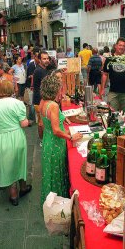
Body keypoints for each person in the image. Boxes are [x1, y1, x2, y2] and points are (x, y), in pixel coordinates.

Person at [39, 75, 83, 204]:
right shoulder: (53, 105)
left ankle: (50, 201)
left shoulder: (43, 102)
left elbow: (42, 124)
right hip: (55, 143)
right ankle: (59, 202)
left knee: (50, 173)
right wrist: (70, 137)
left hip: (47, 141)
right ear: (55, 89)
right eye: (60, 88)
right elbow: (56, 130)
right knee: (57, 172)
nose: (61, 91)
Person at [0, 80, 31, 206]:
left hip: (1, 138)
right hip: (17, 136)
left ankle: (13, 194)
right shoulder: (18, 103)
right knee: (20, 161)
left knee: (6, 164)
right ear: (11, 90)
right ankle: (23, 187)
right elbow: (24, 123)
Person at [100, 37, 125, 112]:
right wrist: (102, 89)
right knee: (112, 113)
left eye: (123, 46)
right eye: (120, 45)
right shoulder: (109, 59)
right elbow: (105, 74)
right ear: (116, 46)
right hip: (113, 91)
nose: (121, 47)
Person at [32, 51, 50, 141]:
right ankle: (42, 140)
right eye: (44, 59)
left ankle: (43, 139)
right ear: (39, 60)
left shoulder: (43, 69)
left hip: (41, 99)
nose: (46, 60)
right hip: (39, 100)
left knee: (42, 121)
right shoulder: (39, 70)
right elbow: (48, 84)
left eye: (47, 58)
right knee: (41, 122)